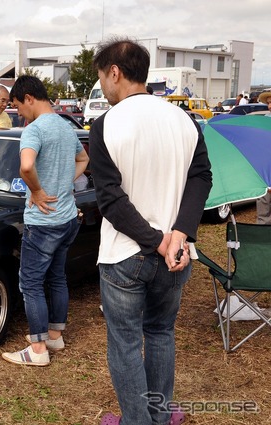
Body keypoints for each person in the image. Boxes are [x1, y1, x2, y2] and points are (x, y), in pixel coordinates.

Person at [89, 37, 212, 425]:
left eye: (101, 79)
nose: (103, 88)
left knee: (125, 344)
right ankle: (158, 417)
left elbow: (110, 199)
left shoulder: (106, 124)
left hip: (126, 254)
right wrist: (180, 232)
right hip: (176, 254)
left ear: (115, 72)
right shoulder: (184, 119)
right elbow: (201, 178)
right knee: (160, 333)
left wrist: (159, 239)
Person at [1, 75, 89, 367]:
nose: (18, 113)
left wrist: (38, 190)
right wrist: (62, 184)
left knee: (31, 283)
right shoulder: (66, 127)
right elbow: (83, 160)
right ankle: (55, 335)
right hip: (66, 218)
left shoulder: (34, 130)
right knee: (57, 277)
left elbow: (26, 166)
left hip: (43, 221)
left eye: (17, 106)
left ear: (28, 98)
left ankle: (38, 350)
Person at [256, 91, 271, 224]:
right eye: (268, 103)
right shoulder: (264, 121)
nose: (270, 106)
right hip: (265, 174)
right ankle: (262, 242)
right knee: (263, 215)